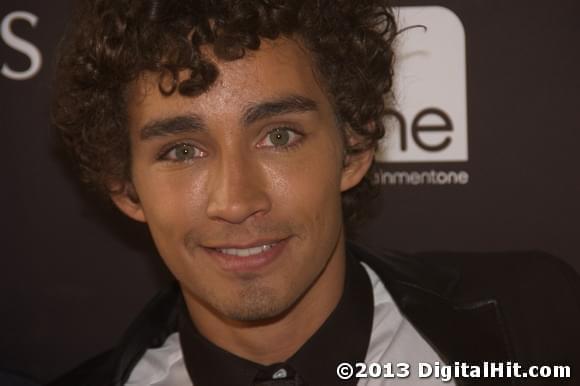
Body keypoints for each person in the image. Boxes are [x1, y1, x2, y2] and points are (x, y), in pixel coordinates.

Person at [49, 0, 580, 385]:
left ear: (353, 148)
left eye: (279, 136)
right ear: (126, 188)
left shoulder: (538, 319)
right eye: (182, 151)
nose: (236, 201)